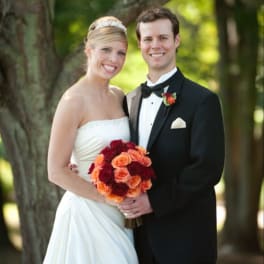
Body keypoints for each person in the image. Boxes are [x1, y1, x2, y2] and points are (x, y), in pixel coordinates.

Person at [119, 7, 225, 264]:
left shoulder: (202, 101)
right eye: (148, 39)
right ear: (140, 44)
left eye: (163, 37)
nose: (155, 45)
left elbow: (207, 168)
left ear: (176, 41)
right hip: (138, 239)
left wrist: (153, 201)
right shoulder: (129, 100)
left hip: (186, 238)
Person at [43, 16, 138, 264]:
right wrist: (105, 197)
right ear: (89, 49)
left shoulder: (119, 96)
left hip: (120, 214)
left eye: (121, 53)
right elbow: (56, 171)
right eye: (106, 50)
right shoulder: (72, 101)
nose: (114, 60)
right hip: (86, 211)